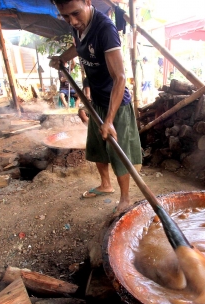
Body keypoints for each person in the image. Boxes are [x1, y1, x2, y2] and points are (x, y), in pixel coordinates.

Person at [49, 0, 142, 214]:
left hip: (115, 103)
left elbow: (119, 78)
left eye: (75, 13)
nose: (72, 21)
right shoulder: (77, 24)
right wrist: (62, 58)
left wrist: (109, 120)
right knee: (98, 148)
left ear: (88, 3)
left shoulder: (105, 29)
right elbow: (78, 47)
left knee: (118, 153)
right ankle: (105, 185)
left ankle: (125, 199)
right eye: (65, 16)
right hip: (97, 101)